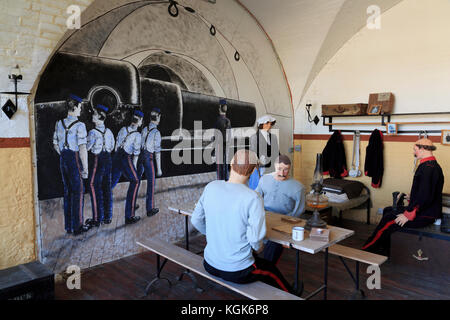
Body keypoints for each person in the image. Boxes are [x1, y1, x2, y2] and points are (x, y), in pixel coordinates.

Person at [191, 149, 292, 293]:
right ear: (254, 171)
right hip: (236, 271)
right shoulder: (253, 197)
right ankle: (293, 294)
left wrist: (215, 235)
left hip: (209, 264)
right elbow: (255, 239)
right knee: (271, 270)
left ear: (231, 163)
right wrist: (259, 249)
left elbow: (196, 220)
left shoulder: (211, 186)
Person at [362, 138, 444, 256]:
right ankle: (384, 248)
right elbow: (426, 192)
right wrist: (413, 197)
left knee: (389, 219)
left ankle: (368, 249)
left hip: (425, 214)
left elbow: (425, 196)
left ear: (423, 149)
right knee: (388, 210)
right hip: (424, 209)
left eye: (415, 150)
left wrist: (408, 214)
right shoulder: (431, 165)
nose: (414, 152)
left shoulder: (428, 168)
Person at [256, 154, 306, 264]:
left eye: (286, 170)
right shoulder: (264, 179)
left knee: (274, 242)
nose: (282, 173)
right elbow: (256, 198)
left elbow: (299, 209)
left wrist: (288, 223)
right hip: (265, 216)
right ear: (274, 166)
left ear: (290, 168)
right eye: (279, 169)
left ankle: (268, 267)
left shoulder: (298, 187)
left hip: (284, 220)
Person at [53, 94, 90, 235]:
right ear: (74, 107)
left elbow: (55, 144)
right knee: (78, 192)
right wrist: (85, 169)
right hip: (74, 160)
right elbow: (82, 149)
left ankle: (69, 226)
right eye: (80, 107)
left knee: (68, 192)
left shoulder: (59, 123)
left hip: (63, 159)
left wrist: (64, 154)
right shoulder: (80, 125)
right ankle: (78, 226)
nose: (81, 110)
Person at [112, 109, 144, 225]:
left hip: (116, 156)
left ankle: (102, 212)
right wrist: (134, 169)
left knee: (111, 183)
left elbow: (116, 145)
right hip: (126, 158)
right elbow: (135, 155)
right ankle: (129, 215)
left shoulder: (122, 129)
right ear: (139, 122)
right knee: (135, 181)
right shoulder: (137, 135)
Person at [85, 104, 115, 227]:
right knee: (106, 187)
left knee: (93, 185)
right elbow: (112, 146)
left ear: (100, 117)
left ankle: (97, 218)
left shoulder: (92, 132)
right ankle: (108, 217)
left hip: (98, 160)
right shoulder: (109, 131)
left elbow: (87, 147)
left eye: (94, 114)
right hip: (108, 159)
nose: (92, 116)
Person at [137, 107, 163, 217]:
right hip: (149, 157)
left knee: (137, 181)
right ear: (158, 118)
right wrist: (159, 169)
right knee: (151, 183)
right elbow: (157, 152)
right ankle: (150, 208)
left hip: (140, 156)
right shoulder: (156, 133)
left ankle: (133, 203)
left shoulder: (144, 129)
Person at [248, 114, 279, 190]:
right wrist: (259, 161)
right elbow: (253, 152)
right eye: (267, 123)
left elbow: (276, 152)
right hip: (260, 168)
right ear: (261, 124)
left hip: (272, 167)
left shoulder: (273, 137)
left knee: (270, 188)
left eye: (270, 123)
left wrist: (279, 161)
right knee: (258, 188)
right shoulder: (254, 137)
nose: (269, 125)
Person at [214, 99, 231, 181]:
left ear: (219, 108)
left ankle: (221, 181)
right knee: (225, 164)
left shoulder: (217, 121)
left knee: (220, 165)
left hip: (219, 145)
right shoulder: (227, 121)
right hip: (225, 145)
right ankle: (225, 179)